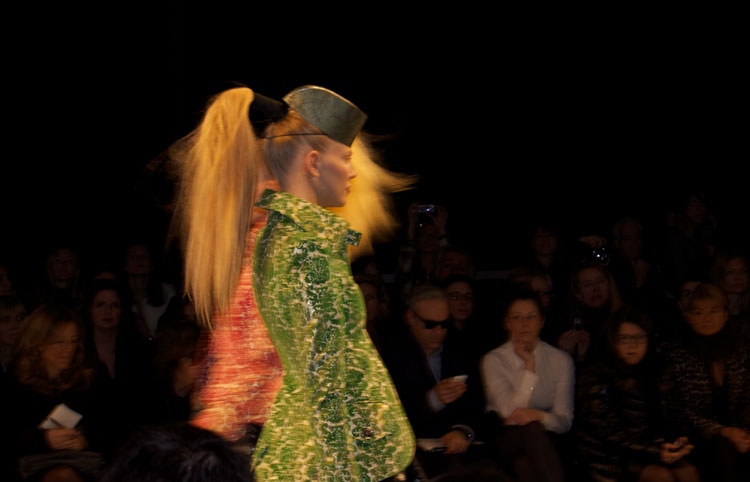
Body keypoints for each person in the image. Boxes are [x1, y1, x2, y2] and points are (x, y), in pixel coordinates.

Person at [171, 85, 415, 481]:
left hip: (285, 441)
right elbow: (320, 374)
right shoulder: (300, 249)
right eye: (345, 158)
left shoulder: (275, 244)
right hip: (300, 447)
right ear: (311, 163)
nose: (353, 172)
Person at [576, 307, 700, 482]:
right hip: (611, 456)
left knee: (688, 472)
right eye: (624, 338)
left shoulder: (659, 368)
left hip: (655, 448)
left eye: (639, 337)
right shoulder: (596, 374)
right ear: (613, 340)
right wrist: (656, 452)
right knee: (661, 477)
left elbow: (677, 413)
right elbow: (605, 431)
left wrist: (680, 441)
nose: (632, 344)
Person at [382, 285, 493, 478]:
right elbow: (388, 416)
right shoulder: (392, 356)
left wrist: (463, 431)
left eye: (444, 324)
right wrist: (432, 400)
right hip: (411, 450)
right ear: (411, 318)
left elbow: (476, 404)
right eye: (430, 324)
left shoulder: (461, 350)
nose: (438, 331)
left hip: (460, 447)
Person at [5, 305, 112, 481]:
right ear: (38, 343)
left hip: (83, 463)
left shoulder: (91, 378)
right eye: (59, 342)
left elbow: (112, 425)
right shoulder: (16, 383)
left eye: (73, 341)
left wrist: (86, 441)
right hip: (33, 466)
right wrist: (44, 439)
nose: (68, 349)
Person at [480, 286, 573, 482]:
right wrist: (529, 366)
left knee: (524, 463)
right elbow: (510, 413)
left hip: (547, 439)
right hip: (504, 437)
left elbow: (564, 420)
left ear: (542, 321)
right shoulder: (494, 360)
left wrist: (538, 416)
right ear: (507, 323)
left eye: (531, 317)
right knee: (530, 431)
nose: (524, 324)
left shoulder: (560, 360)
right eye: (517, 318)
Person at [662, 283, 750, 481]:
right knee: (723, 451)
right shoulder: (676, 354)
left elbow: (746, 396)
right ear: (689, 317)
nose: (707, 318)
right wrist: (723, 431)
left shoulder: (739, 349)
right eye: (699, 313)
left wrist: (744, 432)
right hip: (695, 434)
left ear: (725, 314)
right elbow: (678, 409)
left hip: (737, 428)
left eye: (713, 311)